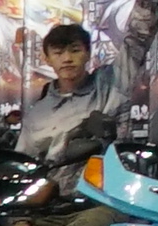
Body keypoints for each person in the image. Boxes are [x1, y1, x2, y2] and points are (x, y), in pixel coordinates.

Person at [16, 21, 120, 169]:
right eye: (58, 53)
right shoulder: (37, 114)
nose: (67, 59)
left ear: (88, 54)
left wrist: (146, 1)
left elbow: (136, 44)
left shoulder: (110, 85)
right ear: (46, 59)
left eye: (75, 50)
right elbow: (24, 163)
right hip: (54, 188)